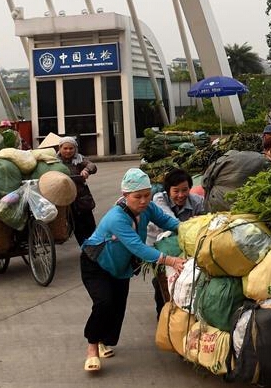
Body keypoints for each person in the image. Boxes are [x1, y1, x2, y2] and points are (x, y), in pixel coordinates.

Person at [80, 168, 186, 372]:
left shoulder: (149, 208)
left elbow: (167, 222)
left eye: (147, 195)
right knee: (104, 302)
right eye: (138, 197)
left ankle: (103, 341)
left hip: (120, 266)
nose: (144, 201)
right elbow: (138, 247)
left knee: (117, 307)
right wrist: (170, 260)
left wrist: (188, 228)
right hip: (95, 264)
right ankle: (92, 347)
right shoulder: (116, 218)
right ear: (125, 195)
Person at [147, 168, 205, 316]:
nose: (181, 195)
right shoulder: (159, 199)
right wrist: (192, 224)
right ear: (168, 191)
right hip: (159, 246)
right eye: (176, 191)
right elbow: (170, 221)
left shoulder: (197, 201)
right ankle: (162, 314)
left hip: (183, 246)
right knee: (161, 281)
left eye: (185, 190)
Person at [57, 137, 98, 245]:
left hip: (82, 198)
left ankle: (96, 247)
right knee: (77, 227)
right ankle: (86, 249)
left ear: (75, 149)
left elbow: (92, 165)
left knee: (90, 226)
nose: (68, 151)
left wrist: (86, 170)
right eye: (65, 148)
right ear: (60, 148)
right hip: (66, 200)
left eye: (71, 148)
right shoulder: (54, 162)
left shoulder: (80, 159)